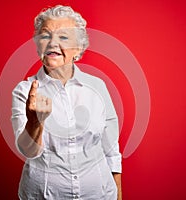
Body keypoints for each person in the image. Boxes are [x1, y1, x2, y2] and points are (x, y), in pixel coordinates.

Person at [11, 5, 122, 200]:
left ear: (78, 48)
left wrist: (118, 196)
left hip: (100, 195)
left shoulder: (98, 87)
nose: (53, 43)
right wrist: (35, 121)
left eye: (63, 37)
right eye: (45, 36)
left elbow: (111, 150)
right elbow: (27, 151)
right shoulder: (24, 91)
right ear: (38, 45)